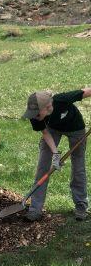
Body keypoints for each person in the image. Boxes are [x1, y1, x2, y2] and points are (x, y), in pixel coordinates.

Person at [22, 88, 91, 221]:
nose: (34, 115)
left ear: (47, 106)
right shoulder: (35, 115)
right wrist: (55, 154)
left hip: (76, 128)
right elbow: (46, 133)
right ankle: (35, 209)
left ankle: (81, 205)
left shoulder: (61, 99)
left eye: (36, 113)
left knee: (78, 166)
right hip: (52, 130)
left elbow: (86, 92)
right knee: (43, 166)